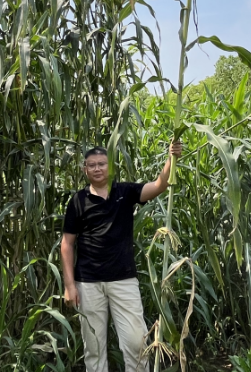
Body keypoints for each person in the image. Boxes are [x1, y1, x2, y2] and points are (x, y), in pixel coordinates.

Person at [60, 142, 182, 372]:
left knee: (137, 342)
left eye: (102, 164)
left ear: (111, 167)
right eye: (92, 165)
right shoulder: (77, 201)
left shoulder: (125, 192)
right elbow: (67, 244)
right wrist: (69, 285)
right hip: (88, 282)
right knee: (94, 348)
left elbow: (159, 185)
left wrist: (171, 159)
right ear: (85, 169)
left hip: (123, 280)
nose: (97, 169)